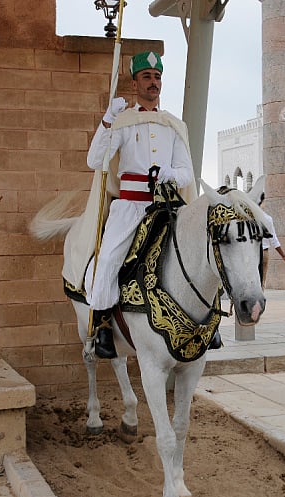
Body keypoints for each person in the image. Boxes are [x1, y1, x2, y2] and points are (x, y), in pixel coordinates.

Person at [84, 51, 196, 358]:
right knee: (107, 259)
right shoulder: (123, 121)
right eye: (147, 76)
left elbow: (187, 172)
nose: (153, 82)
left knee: (198, 254)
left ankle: (202, 324)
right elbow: (96, 160)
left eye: (157, 77)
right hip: (130, 207)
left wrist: (170, 173)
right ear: (135, 83)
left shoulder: (173, 125)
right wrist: (108, 121)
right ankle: (103, 325)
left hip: (165, 206)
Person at [259, 193, 285, 288]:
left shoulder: (246, 218)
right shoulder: (267, 218)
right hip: (263, 253)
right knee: (261, 281)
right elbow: (273, 239)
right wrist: (284, 256)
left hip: (249, 254)